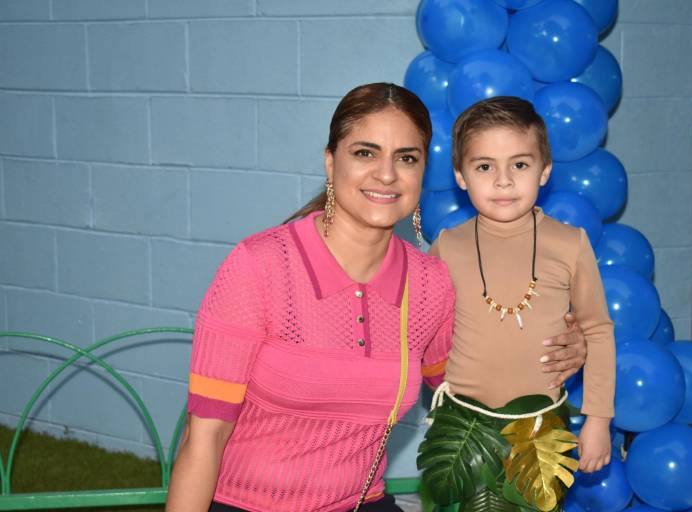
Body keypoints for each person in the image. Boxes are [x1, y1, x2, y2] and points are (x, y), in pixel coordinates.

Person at [165, 83, 588, 512]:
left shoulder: (430, 283)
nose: (387, 174)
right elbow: (203, 439)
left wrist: (559, 347)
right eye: (365, 153)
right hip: (245, 504)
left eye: (406, 158)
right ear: (331, 162)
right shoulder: (260, 266)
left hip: (360, 503)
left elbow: (470, 386)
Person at [418, 97, 615, 512]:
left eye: (520, 165)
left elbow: (597, 330)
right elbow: (419, 329)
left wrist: (598, 420)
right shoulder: (447, 246)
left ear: (544, 170)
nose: (503, 181)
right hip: (462, 425)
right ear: (460, 176)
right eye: (484, 167)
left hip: (540, 428)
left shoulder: (570, 243)